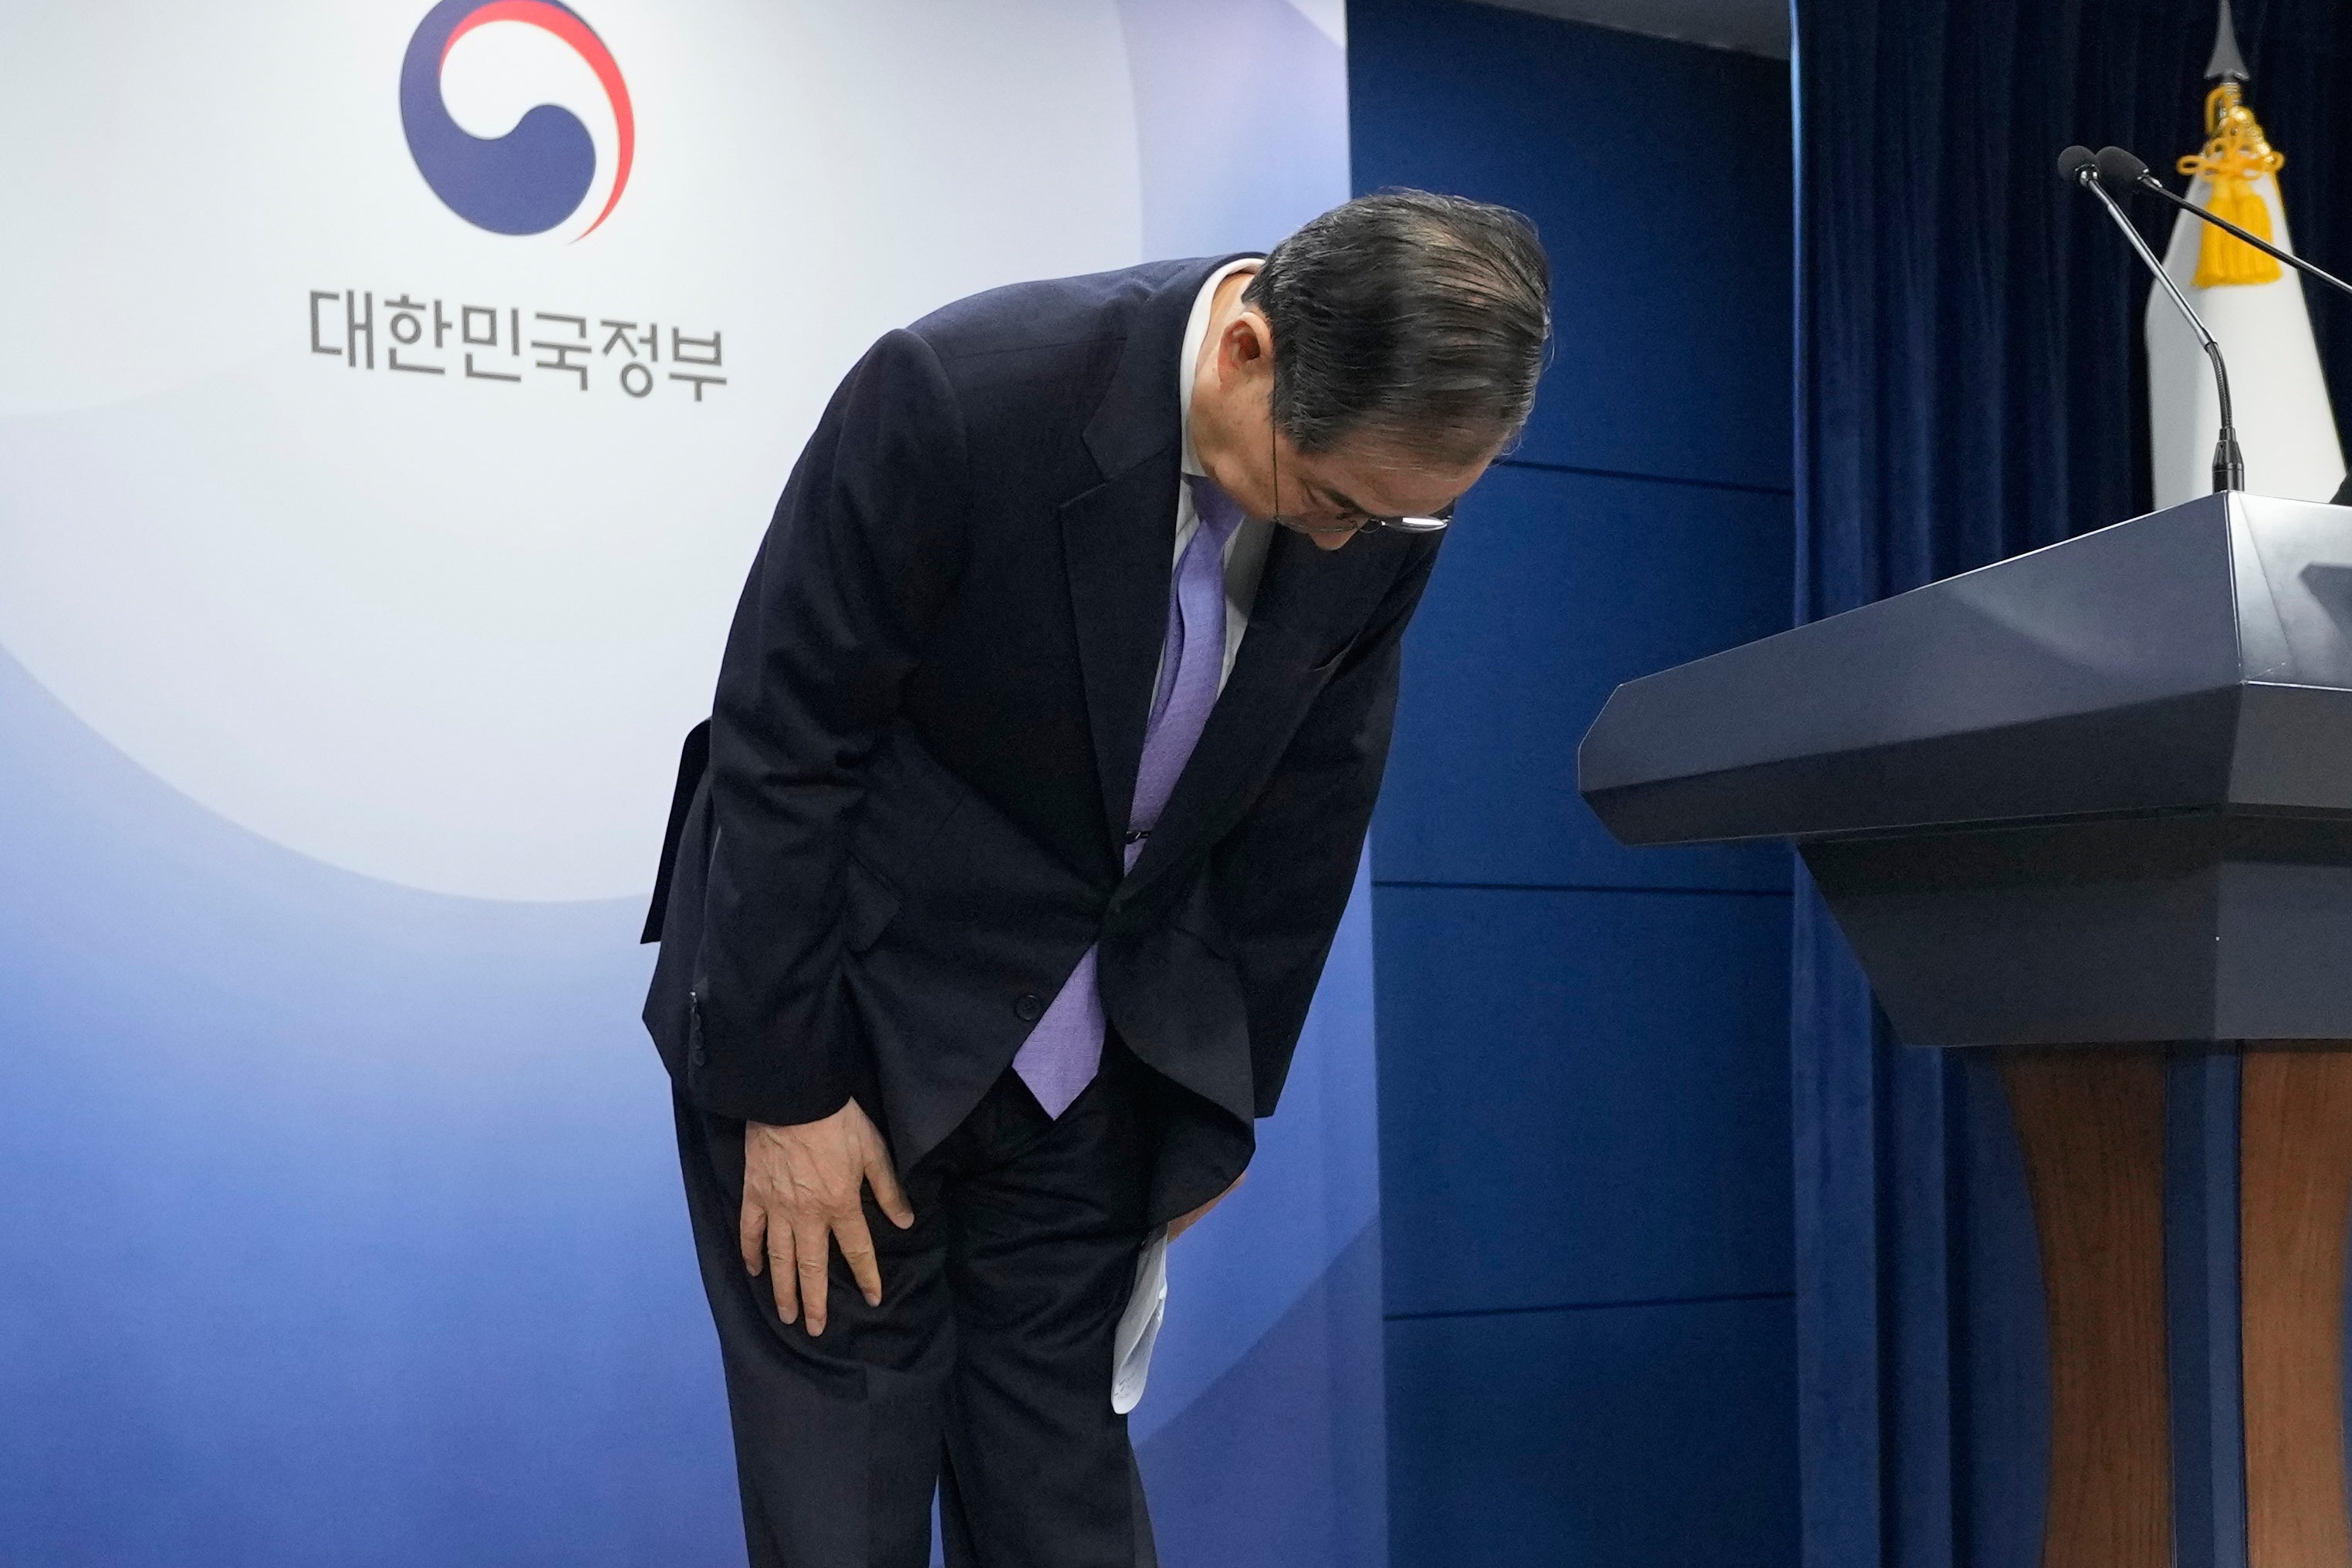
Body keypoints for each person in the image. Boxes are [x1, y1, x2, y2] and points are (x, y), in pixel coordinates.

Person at [640, 188, 1550, 1567]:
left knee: (1059, 1502)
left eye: (1399, 524)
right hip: (842, 1019)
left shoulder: (1378, 518)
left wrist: (1214, 1094)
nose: (1347, 544)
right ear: (1247, 348)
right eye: (1331, 497)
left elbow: (1311, 811)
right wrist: (786, 1092)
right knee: (847, 1509)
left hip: (1083, 1063)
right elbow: (784, 742)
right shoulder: (964, 393)